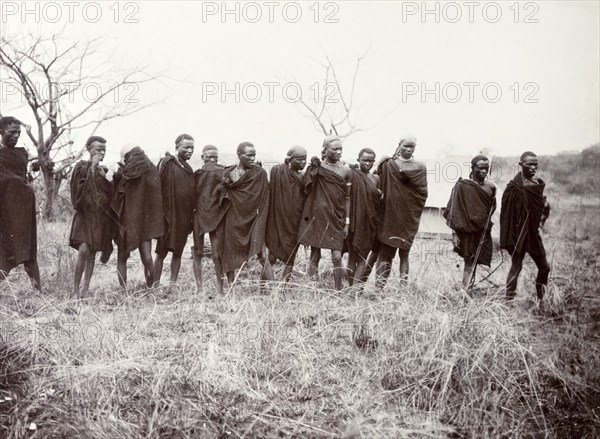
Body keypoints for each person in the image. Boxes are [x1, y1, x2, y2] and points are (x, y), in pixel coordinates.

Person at [214, 141, 273, 291]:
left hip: (254, 219)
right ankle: (231, 290)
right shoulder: (229, 173)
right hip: (233, 219)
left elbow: (264, 197)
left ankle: (274, 291)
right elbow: (222, 195)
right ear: (239, 155)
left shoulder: (260, 173)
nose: (253, 158)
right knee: (229, 253)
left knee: (262, 253)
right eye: (249, 155)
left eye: (254, 155)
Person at [298, 135, 352, 290]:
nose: (338, 152)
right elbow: (305, 188)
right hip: (317, 217)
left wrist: (347, 222)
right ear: (325, 149)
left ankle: (338, 291)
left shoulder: (346, 170)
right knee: (315, 255)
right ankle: (311, 288)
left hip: (336, 217)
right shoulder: (318, 168)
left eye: (340, 149)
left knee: (336, 256)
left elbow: (348, 197)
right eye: (334, 149)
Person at [375, 137, 428, 289]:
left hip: (408, 217)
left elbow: (423, 193)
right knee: (385, 252)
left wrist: (412, 208)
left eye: (412, 147)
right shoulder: (389, 164)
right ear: (399, 146)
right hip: (390, 215)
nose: (409, 149)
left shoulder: (419, 167)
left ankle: (403, 289)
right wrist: (380, 162)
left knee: (404, 253)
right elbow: (375, 180)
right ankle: (379, 288)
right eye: (406, 146)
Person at [69, 136, 117, 298]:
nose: (102, 153)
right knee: (83, 250)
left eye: (104, 150)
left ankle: (85, 289)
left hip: (98, 218)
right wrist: (92, 168)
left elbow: (108, 194)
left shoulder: (103, 171)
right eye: (98, 149)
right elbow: (78, 191)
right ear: (89, 149)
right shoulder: (81, 167)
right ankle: (75, 290)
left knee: (92, 252)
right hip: (84, 216)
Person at [111, 144, 164, 289]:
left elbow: (116, 195)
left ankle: (125, 290)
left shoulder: (126, 171)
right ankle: (151, 286)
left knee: (123, 257)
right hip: (143, 221)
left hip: (127, 221)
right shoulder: (150, 168)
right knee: (146, 257)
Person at [500, 151, 550, 301]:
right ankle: (508, 301)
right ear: (521, 165)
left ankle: (541, 300)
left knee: (545, 268)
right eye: (529, 164)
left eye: (536, 164)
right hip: (518, 234)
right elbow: (506, 215)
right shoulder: (513, 187)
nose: (533, 167)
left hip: (533, 234)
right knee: (516, 267)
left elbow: (539, 209)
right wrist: (511, 236)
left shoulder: (537, 184)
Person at [0, 116, 41, 291]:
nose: (16, 136)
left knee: (28, 247)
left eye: (18, 132)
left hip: (23, 210)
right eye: (12, 132)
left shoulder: (21, 153)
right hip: (3, 211)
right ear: (1, 131)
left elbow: (22, 177)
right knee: (4, 250)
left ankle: (38, 292)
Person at [444, 155, 496, 291]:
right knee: (469, 259)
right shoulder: (462, 186)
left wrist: (485, 222)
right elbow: (453, 210)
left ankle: (468, 287)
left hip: (482, 230)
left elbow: (491, 208)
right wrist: (454, 233)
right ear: (472, 168)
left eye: (486, 168)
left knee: (476, 259)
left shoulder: (491, 187)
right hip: (466, 230)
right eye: (480, 168)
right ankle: (465, 290)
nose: (484, 171)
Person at [153, 134, 196, 294]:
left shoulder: (189, 169)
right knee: (161, 251)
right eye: (186, 147)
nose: (189, 150)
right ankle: (155, 285)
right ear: (177, 147)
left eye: (192, 147)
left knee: (178, 251)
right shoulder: (167, 162)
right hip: (168, 216)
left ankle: (173, 284)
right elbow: (156, 185)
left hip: (183, 217)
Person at [266, 146, 307, 282]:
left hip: (294, 221)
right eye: (300, 159)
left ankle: (284, 288)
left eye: (305, 160)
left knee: (291, 257)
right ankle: (262, 284)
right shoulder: (277, 171)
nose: (303, 162)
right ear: (290, 159)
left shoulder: (303, 177)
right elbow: (271, 190)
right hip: (277, 220)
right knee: (272, 255)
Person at [192, 144, 225, 294]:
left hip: (216, 215)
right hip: (198, 215)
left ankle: (220, 288)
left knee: (217, 253)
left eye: (215, 157)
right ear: (202, 157)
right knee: (198, 252)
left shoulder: (223, 174)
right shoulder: (196, 174)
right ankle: (200, 289)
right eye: (209, 157)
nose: (212, 160)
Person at [346, 148, 381, 287]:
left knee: (362, 257)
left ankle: (355, 290)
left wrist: (379, 193)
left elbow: (377, 200)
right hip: (354, 222)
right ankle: (350, 288)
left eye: (371, 161)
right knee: (351, 257)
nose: (367, 163)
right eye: (364, 160)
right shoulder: (352, 174)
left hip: (369, 223)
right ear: (358, 160)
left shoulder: (376, 178)